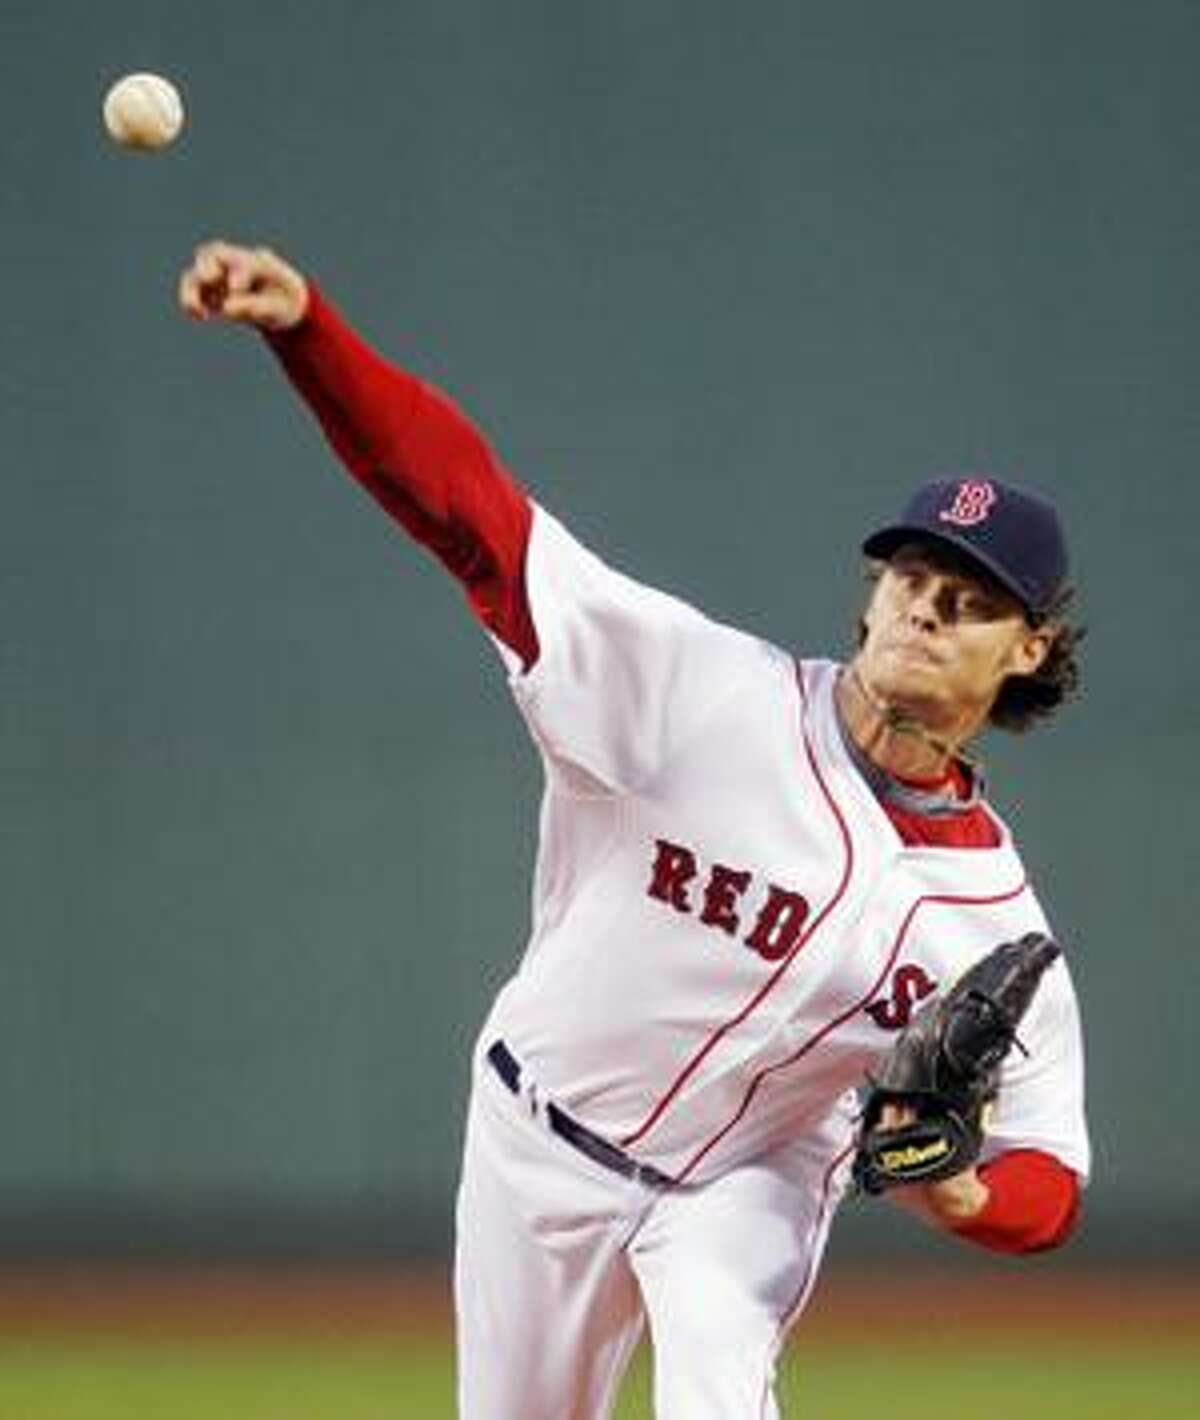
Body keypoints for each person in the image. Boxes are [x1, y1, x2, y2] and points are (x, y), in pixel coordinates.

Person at [179, 240, 1090, 1420]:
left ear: (1028, 650)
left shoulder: (995, 924)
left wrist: (965, 1190)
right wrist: (309, 333)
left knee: (717, 1373)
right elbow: (476, 521)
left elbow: (1051, 1179)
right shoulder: (701, 695)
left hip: (742, 1183)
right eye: (911, 575)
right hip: (536, 1134)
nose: (927, 605)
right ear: (871, 594)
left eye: (969, 600)